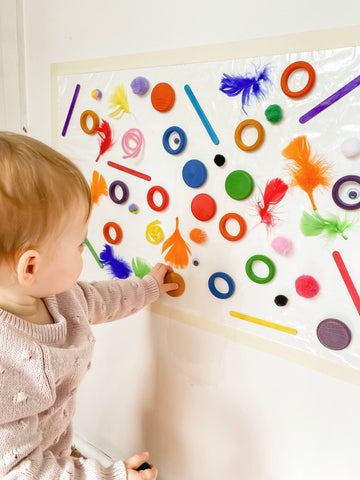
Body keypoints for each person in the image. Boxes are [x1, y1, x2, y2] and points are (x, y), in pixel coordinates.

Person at [0, 132, 178, 479]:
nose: (85, 249)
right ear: (31, 267)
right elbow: (22, 472)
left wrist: (149, 287)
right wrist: (110, 475)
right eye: (80, 244)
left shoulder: (59, 296)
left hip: (52, 449)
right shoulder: (8, 366)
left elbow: (101, 299)